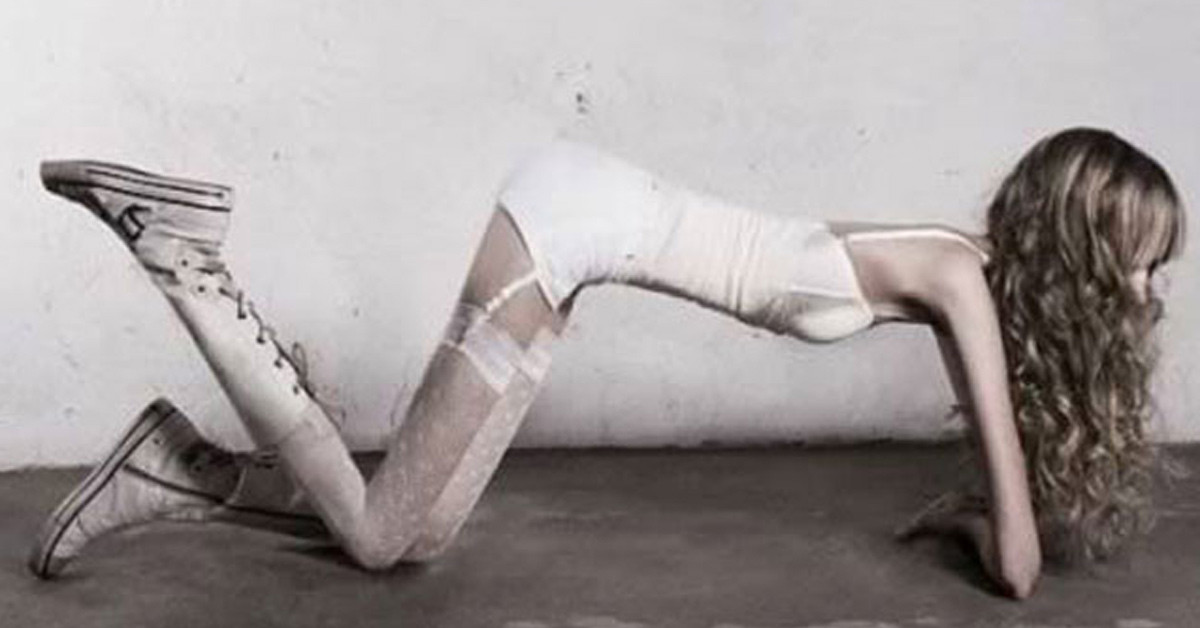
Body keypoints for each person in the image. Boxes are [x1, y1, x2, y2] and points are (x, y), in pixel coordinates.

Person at [27, 128, 1185, 600]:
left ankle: (184, 465)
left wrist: (980, 507)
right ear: (1083, 246)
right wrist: (980, 521)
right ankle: (181, 253)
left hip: (583, 232)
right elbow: (1019, 568)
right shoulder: (962, 284)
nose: (1150, 289)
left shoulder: (962, 269)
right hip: (567, 227)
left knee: (416, 534)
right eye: (1141, 262)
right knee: (378, 538)